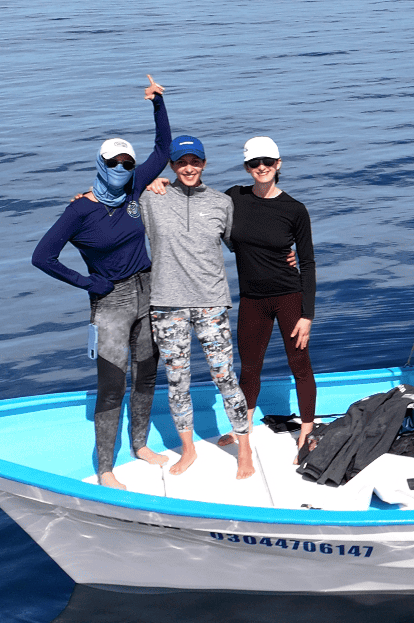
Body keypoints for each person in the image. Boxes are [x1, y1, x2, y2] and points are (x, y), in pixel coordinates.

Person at [30, 79, 174, 489]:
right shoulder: (79, 210)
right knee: (112, 386)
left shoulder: (132, 189)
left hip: (147, 292)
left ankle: (142, 445)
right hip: (110, 301)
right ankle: (106, 469)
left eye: (128, 163)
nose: (123, 170)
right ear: (101, 165)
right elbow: (42, 257)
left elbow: (163, 150)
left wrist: (158, 103)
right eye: (116, 163)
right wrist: (86, 282)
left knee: (146, 374)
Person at [140, 127, 255, 479]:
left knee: (226, 378)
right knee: (178, 382)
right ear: (172, 166)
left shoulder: (222, 202)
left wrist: (287, 260)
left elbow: (242, 245)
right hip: (167, 305)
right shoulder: (150, 198)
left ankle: (244, 448)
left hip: (211, 304)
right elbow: (115, 197)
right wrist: (83, 197)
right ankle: (188, 449)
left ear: (204, 163)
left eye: (194, 161)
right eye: (181, 162)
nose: (188, 168)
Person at [224, 136, 318, 451]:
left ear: (278, 165)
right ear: (247, 167)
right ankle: (243, 428)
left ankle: (307, 432)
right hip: (252, 300)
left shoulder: (294, 210)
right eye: (254, 163)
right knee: (249, 367)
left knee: (300, 364)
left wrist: (307, 315)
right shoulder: (233, 197)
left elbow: (307, 262)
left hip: (289, 296)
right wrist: (159, 182)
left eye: (267, 162)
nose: (261, 167)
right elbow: (197, 203)